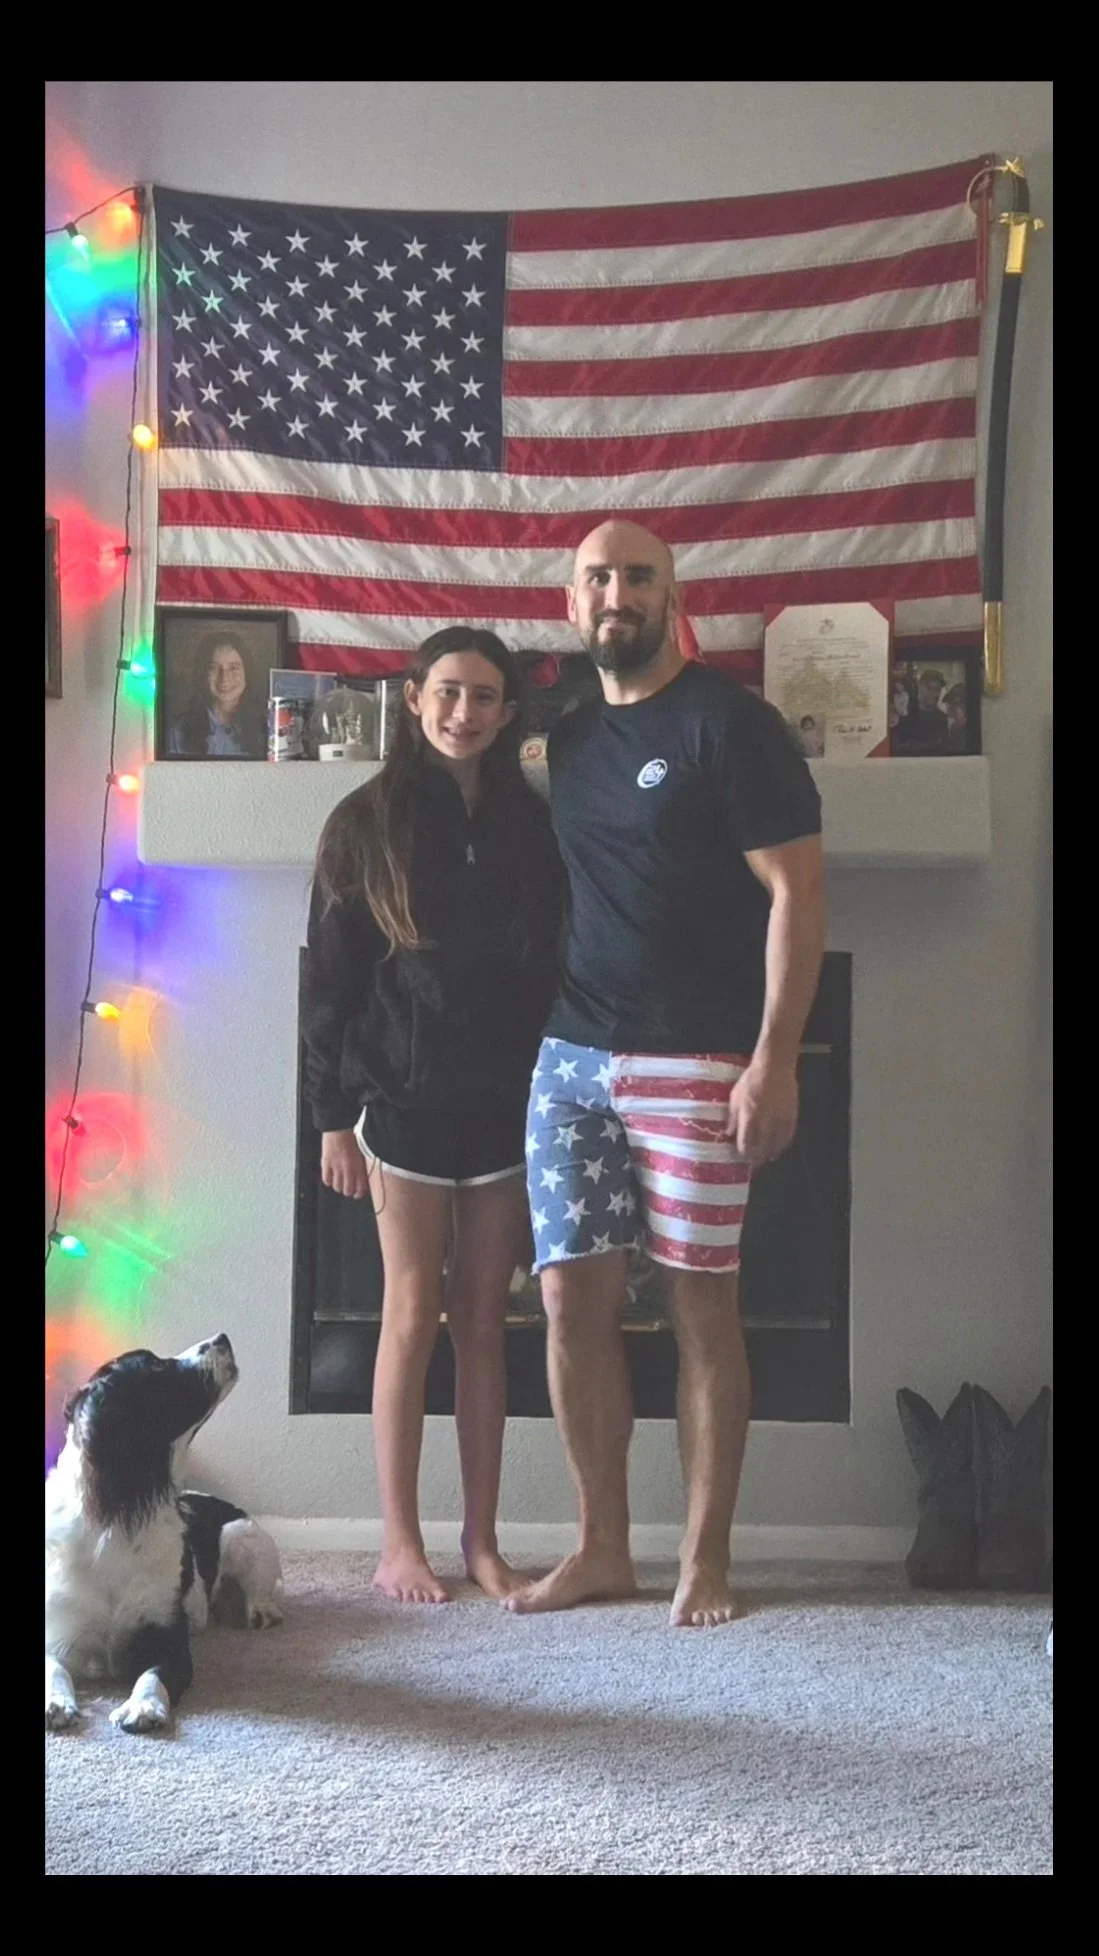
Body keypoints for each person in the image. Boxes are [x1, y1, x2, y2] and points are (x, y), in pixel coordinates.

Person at [505, 520, 826, 1630]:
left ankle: (705, 1559)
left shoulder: (732, 727)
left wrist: (773, 1061)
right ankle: (601, 1548)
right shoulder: (569, 737)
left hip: (700, 1060)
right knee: (565, 1301)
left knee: (700, 1307)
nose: (616, 593)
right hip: (571, 1060)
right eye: (598, 576)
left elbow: (796, 896)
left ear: (671, 595)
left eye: (638, 575)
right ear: (570, 601)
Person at [302, 627, 563, 1604]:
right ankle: (398, 1542)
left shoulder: (531, 826)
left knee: (485, 1324)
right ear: (414, 698)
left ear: (505, 712)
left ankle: (483, 1542)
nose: (465, 712)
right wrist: (332, 1117)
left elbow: (550, 964)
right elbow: (328, 985)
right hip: (399, 1109)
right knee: (409, 1313)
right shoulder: (361, 825)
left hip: (505, 1108)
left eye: (485, 697)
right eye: (449, 692)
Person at [167, 631, 267, 758]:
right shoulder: (179, 732)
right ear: (202, 674)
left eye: (233, 668)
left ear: (247, 672)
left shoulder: (267, 728)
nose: (224, 678)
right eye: (213, 668)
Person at [893, 668, 950, 753]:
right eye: (929, 688)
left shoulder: (942, 719)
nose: (934, 694)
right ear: (920, 687)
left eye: (937, 689)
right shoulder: (905, 713)